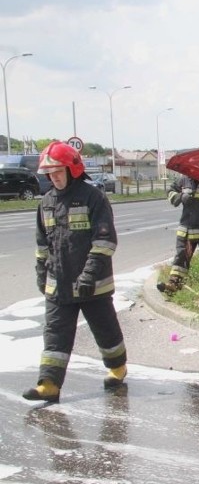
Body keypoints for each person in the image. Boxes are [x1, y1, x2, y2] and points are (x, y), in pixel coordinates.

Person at [23, 141, 128, 403]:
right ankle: (49, 384)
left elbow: (105, 241)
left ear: (72, 169)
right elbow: (42, 244)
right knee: (55, 333)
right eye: (49, 173)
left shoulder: (93, 197)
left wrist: (88, 276)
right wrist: (40, 272)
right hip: (58, 286)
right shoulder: (46, 203)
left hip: (92, 286)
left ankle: (117, 369)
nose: (53, 177)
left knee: (106, 332)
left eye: (58, 171)